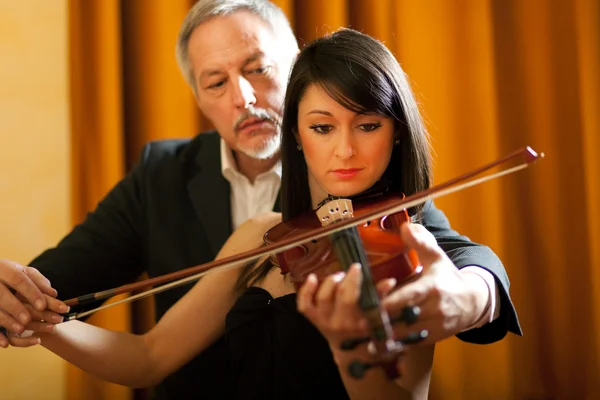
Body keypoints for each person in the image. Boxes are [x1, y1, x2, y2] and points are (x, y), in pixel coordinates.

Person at [0, 1, 520, 399]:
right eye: (216, 82)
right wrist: (22, 308)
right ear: (199, 97)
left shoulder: (385, 215)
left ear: (295, 69)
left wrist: (470, 295)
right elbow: (135, 344)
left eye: (258, 68)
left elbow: (466, 262)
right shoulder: (184, 189)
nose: (243, 99)